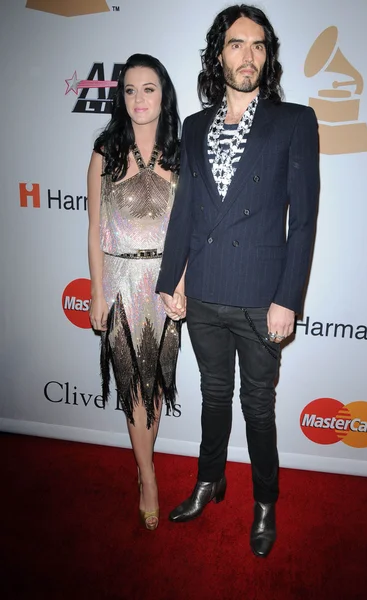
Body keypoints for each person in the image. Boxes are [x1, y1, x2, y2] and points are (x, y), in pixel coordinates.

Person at [156, 4, 319, 556]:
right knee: (213, 394)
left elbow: (305, 219)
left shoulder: (295, 121)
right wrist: (170, 277)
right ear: (218, 54)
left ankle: (265, 501)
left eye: (257, 45)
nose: (246, 55)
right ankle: (210, 479)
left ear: (267, 56)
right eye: (235, 43)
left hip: (260, 297)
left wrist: (287, 299)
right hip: (203, 290)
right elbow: (186, 210)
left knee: (258, 406)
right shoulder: (195, 125)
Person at [87, 53, 184, 531]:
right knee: (133, 388)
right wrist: (97, 293)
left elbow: (187, 230)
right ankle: (147, 476)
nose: (138, 98)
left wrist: (181, 285)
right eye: (129, 89)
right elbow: (94, 231)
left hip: (165, 290)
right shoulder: (105, 152)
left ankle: (145, 467)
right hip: (121, 284)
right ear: (119, 96)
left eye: (148, 88)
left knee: (156, 384)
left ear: (163, 94)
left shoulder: (180, 154)